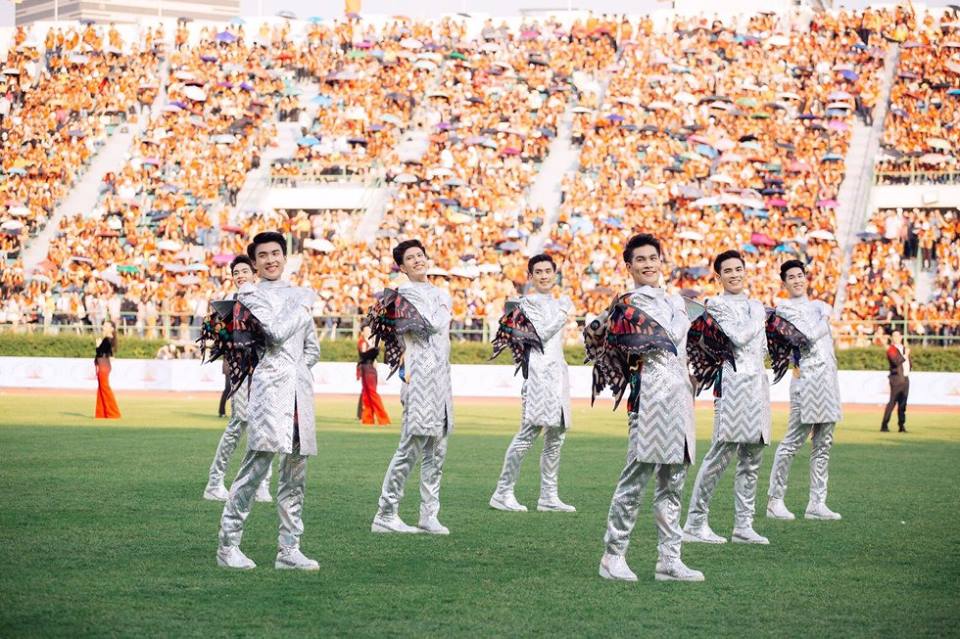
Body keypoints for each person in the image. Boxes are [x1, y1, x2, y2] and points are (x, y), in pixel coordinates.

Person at [598, 233, 703, 583]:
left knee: (673, 481)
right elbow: (602, 337)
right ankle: (613, 556)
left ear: (662, 261)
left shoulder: (677, 301)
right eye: (640, 260)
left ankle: (669, 560)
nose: (648, 264)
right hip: (648, 399)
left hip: (680, 399)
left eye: (652, 258)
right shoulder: (627, 303)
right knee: (636, 478)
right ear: (629, 266)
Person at [216, 232, 321, 570]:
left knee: (296, 473)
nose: (271, 259)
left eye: (276, 253)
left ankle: (289, 550)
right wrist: (303, 311)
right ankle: (228, 544)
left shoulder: (298, 294)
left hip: (298, 394)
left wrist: (299, 372)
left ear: (284, 256)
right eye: (263, 255)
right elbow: (274, 333)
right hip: (267, 392)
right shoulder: (250, 294)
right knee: (254, 467)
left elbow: (312, 348)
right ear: (255, 262)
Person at [682, 250, 771, 546]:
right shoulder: (717, 304)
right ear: (718, 277)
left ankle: (743, 526)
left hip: (758, 386)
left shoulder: (755, 305)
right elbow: (739, 337)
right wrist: (761, 316)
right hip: (732, 385)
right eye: (728, 271)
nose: (735, 274)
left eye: (738, 269)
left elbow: (763, 349)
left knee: (752, 458)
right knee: (720, 455)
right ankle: (695, 522)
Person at [371, 239, 454, 535]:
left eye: (420, 255)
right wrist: (443, 310)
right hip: (419, 377)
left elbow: (441, 334)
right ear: (402, 267)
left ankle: (428, 514)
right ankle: (386, 511)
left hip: (442, 379)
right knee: (410, 447)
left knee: (437, 450)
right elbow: (430, 325)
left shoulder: (442, 293)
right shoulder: (399, 296)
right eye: (410, 258)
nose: (418, 260)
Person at [489, 254, 576, 513]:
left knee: (556, 436)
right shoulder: (525, 304)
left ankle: (548, 496)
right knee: (528, 433)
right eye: (538, 272)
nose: (544, 275)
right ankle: (503, 492)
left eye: (548, 271)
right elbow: (541, 334)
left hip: (558, 376)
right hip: (538, 376)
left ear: (555, 274)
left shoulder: (555, 302)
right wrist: (563, 312)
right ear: (530, 276)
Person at [767, 260, 843, 522]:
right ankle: (775, 500)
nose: (797, 280)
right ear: (784, 282)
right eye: (791, 277)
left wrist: (823, 312)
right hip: (806, 382)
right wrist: (824, 317)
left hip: (828, 381)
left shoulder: (817, 306)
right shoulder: (785, 310)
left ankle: (817, 503)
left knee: (824, 444)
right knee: (792, 442)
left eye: (800, 275)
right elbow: (809, 335)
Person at [203, 255, 272, 503]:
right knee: (238, 423)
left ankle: (262, 484)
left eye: (244, 271)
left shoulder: (265, 300)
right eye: (235, 273)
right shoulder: (230, 305)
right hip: (242, 372)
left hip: (265, 372)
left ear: (254, 274)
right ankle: (214, 481)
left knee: (265, 426)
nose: (239, 275)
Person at [357, 323, 391, 426]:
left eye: (369, 330)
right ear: (362, 332)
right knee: (367, 394)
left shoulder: (370, 341)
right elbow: (364, 354)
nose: (368, 332)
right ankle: (368, 419)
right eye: (366, 330)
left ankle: (382, 419)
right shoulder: (362, 341)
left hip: (369, 368)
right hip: (366, 368)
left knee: (371, 393)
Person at [881, 330, 909, 433]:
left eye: (898, 335)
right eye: (894, 336)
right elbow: (896, 362)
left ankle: (901, 426)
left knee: (903, 403)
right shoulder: (891, 349)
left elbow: (908, 363)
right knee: (892, 402)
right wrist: (905, 356)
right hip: (896, 378)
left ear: (901, 337)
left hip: (905, 378)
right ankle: (884, 424)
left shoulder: (904, 348)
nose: (896, 338)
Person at [94, 320, 121, 419]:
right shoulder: (109, 339)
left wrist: (98, 346)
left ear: (112, 329)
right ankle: (102, 413)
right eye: (103, 326)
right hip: (103, 365)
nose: (103, 328)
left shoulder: (107, 339)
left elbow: (104, 354)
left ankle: (113, 413)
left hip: (104, 365)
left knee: (105, 389)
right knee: (102, 389)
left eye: (106, 326)